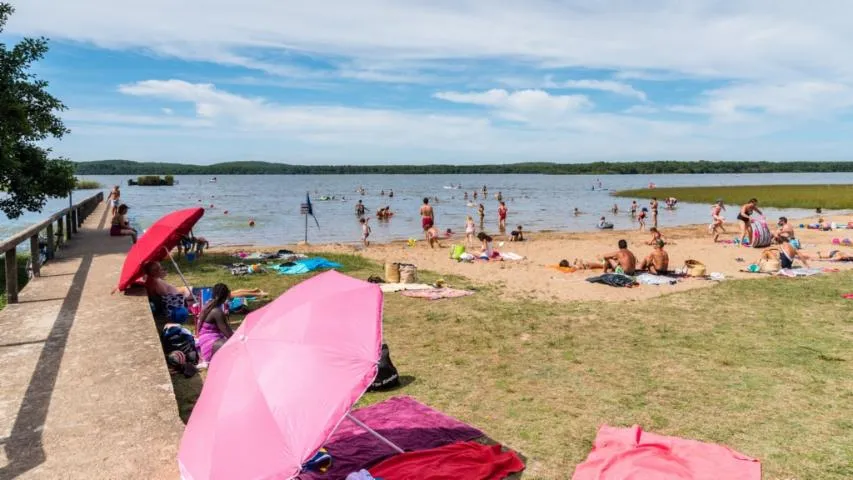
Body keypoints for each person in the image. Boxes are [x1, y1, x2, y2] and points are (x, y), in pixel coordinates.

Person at [196, 283, 233, 363]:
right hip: (209, 346)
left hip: (204, 341)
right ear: (225, 297)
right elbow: (229, 334)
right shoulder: (217, 312)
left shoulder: (208, 306)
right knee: (233, 345)